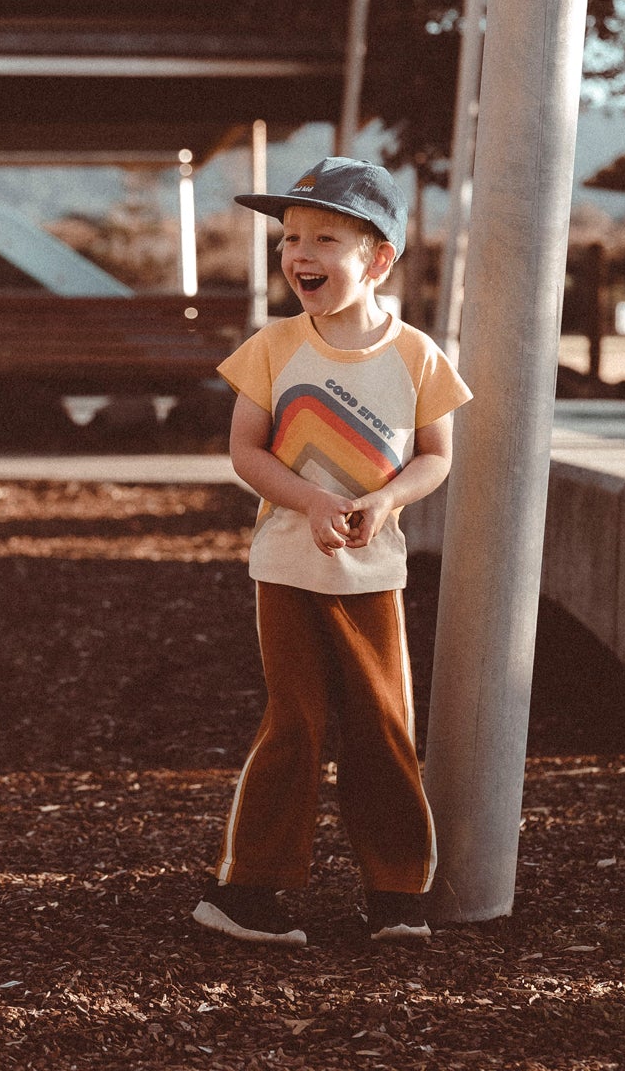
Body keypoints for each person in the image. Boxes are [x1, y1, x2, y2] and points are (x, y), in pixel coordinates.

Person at [191, 157, 471, 947]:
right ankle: (245, 894)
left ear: (379, 259)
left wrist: (385, 501)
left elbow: (435, 456)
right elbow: (246, 451)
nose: (298, 254)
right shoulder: (273, 347)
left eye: (323, 238)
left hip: (373, 575)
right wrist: (311, 501)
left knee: (383, 725)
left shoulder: (417, 355)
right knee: (296, 724)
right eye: (289, 238)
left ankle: (395, 896)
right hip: (285, 567)